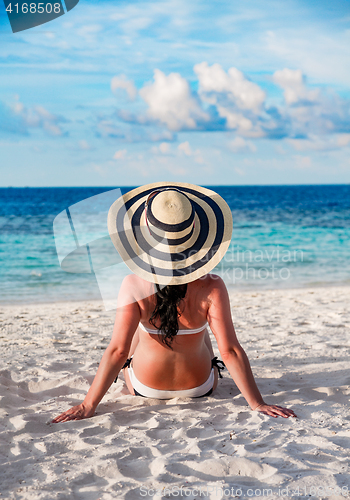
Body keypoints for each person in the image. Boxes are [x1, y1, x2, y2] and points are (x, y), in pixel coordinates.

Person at [52, 182, 296, 423]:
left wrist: (88, 405)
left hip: (145, 387)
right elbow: (230, 351)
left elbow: (118, 351)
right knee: (204, 332)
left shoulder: (133, 284)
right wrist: (257, 403)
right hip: (201, 387)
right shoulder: (212, 285)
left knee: (139, 329)